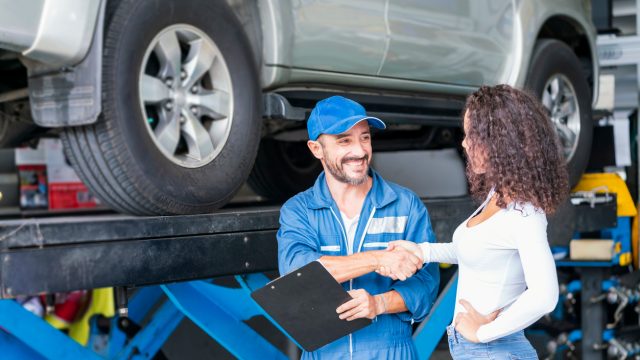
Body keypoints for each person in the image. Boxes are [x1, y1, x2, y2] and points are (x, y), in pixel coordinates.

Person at [386, 84, 567, 359]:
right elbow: (475, 251)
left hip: (493, 350)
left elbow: (545, 295)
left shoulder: (524, 214)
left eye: (473, 135)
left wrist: (483, 333)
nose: (464, 143)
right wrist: (422, 251)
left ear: (502, 143)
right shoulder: (498, 195)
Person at [277, 95, 440, 359]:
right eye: (345, 140)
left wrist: (379, 303)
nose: (360, 151)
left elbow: (426, 286)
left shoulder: (404, 204)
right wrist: (377, 259)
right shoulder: (300, 211)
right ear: (316, 149)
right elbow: (298, 273)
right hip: (325, 353)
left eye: (365, 137)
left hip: (391, 351)